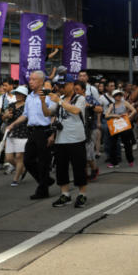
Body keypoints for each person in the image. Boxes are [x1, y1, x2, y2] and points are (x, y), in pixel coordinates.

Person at [6, 71, 56, 199]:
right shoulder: (29, 97)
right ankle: (45, 181)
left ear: (41, 81)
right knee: (28, 160)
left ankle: (42, 191)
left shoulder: (48, 95)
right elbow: (25, 115)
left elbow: (54, 114)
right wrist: (13, 124)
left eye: (33, 79)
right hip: (33, 131)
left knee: (43, 162)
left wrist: (52, 134)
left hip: (45, 130)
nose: (30, 81)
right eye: (30, 79)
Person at [48, 79, 89, 207]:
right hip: (60, 139)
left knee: (79, 167)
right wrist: (42, 101)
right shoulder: (59, 98)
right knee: (61, 168)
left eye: (63, 85)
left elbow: (76, 111)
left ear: (71, 85)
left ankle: (82, 194)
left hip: (76, 138)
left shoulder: (80, 98)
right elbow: (48, 113)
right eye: (59, 86)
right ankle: (65, 194)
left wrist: (59, 101)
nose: (61, 88)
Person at [3, 86, 29, 186]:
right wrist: (6, 116)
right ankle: (22, 169)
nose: (18, 95)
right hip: (11, 132)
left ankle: (16, 179)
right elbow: (4, 117)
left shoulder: (27, 105)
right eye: (17, 93)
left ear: (24, 96)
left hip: (22, 132)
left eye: (20, 94)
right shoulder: (11, 105)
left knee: (19, 156)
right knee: (9, 158)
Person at [104, 89, 135, 168]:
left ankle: (130, 160)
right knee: (113, 144)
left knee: (127, 144)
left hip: (124, 125)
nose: (119, 96)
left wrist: (128, 117)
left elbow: (134, 111)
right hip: (115, 126)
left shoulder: (125, 103)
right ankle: (114, 162)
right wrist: (115, 116)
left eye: (120, 95)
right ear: (114, 97)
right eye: (117, 95)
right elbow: (106, 115)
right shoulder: (112, 105)